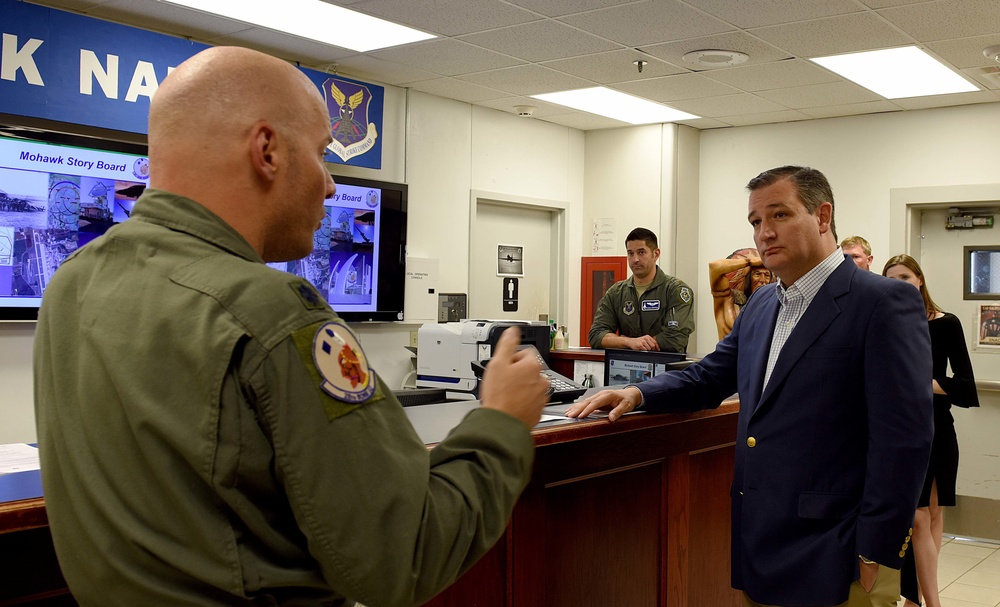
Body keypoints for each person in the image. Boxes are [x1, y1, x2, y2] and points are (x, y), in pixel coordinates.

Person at [33, 46, 550, 607]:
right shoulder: (271, 312)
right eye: (323, 153)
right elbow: (405, 554)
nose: (330, 185)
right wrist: (501, 422)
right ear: (268, 150)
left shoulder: (70, 285)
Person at [568, 166, 933, 607]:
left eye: (779, 215)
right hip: (759, 547)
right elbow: (710, 375)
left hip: (837, 552)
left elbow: (905, 438)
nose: (764, 233)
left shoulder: (881, 302)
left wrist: (875, 548)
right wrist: (639, 393)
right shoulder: (762, 302)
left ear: (822, 216)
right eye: (756, 221)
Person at [882, 254, 980, 607]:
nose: (900, 284)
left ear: (920, 280)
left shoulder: (946, 323)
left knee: (933, 516)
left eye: (906, 276)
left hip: (937, 429)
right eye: (891, 279)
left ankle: (918, 598)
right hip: (896, 432)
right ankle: (926, 600)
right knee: (917, 518)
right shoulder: (883, 323)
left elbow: (967, 388)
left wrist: (922, 384)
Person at [587, 227, 694, 352]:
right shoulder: (616, 293)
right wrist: (629, 342)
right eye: (630, 253)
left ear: (656, 254)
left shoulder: (675, 290)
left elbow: (675, 339)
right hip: (624, 367)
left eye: (641, 252)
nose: (635, 259)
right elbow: (596, 335)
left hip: (666, 368)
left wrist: (625, 343)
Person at [709, 248, 772, 340]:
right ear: (747, 279)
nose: (762, 281)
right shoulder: (727, 299)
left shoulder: (771, 305)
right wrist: (750, 261)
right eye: (757, 274)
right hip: (729, 354)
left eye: (767, 275)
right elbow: (714, 266)